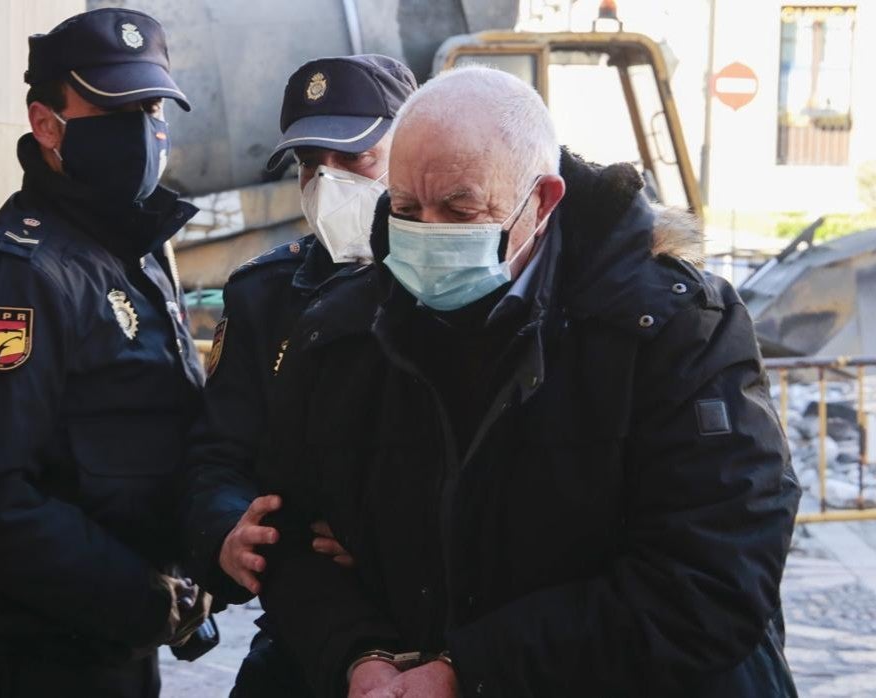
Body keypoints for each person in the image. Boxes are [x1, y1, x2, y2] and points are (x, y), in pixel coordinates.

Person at [256, 66, 801, 698]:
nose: (429, 233)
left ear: (542, 201)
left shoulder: (675, 330)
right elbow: (287, 532)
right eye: (405, 209)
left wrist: (471, 670)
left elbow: (712, 577)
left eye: (460, 208)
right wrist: (358, 654)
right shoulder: (343, 329)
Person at [0, 9, 211, 697]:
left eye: (151, 106)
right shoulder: (10, 276)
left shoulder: (126, 252)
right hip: (29, 659)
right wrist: (141, 597)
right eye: (114, 108)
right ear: (47, 125)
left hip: (115, 646)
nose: (143, 128)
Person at [180, 55, 417, 696]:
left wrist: (386, 536)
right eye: (312, 165)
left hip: (438, 635)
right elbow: (216, 456)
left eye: (357, 159)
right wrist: (229, 531)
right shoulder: (265, 294)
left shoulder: (470, 282)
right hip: (303, 631)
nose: (329, 181)